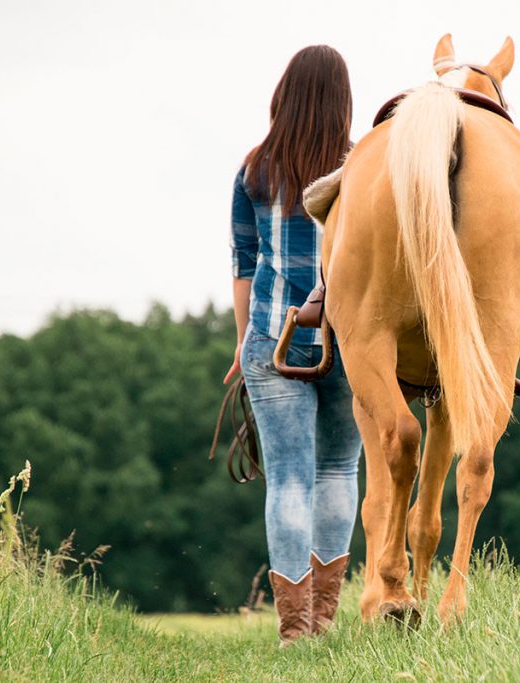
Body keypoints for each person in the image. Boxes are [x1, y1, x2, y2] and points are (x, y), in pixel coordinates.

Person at [224, 45, 362, 647]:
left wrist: (242, 342)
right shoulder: (364, 169)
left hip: (274, 339)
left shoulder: (255, 169)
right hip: (351, 338)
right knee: (337, 467)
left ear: (285, 93)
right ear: (343, 100)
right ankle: (325, 625)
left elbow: (245, 261)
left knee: (287, 479)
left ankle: (293, 632)